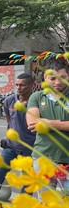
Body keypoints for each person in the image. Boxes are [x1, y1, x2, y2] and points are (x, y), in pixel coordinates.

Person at [0, 73, 36, 199]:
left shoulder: (36, 101)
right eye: (17, 85)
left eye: (22, 85)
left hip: (30, 148)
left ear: (31, 86)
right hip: (11, 146)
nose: (18, 87)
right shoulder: (9, 100)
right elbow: (9, 120)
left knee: (28, 181)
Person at [26, 58, 69, 189]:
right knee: (46, 202)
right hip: (43, 158)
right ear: (45, 77)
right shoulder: (37, 97)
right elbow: (33, 124)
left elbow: (43, 125)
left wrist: (49, 123)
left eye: (62, 77)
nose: (57, 82)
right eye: (52, 78)